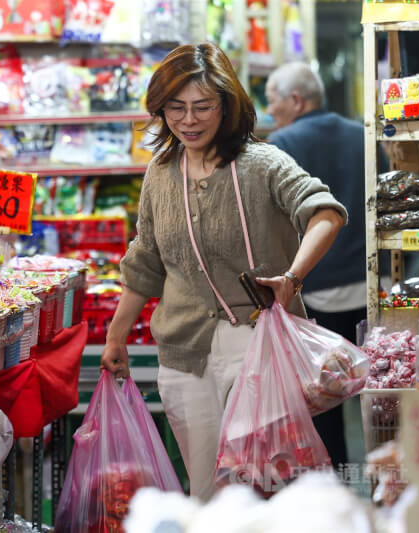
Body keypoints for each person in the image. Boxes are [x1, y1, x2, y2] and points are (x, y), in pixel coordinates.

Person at [99, 43, 347, 501]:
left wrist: (291, 278)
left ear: (227, 105)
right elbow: (146, 259)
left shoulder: (261, 163)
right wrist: (116, 337)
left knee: (264, 487)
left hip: (258, 344)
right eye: (175, 108)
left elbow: (325, 213)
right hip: (183, 353)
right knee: (205, 491)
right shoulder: (160, 172)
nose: (188, 120)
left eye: (202, 107)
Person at [265, 62, 384, 470]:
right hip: (371, 286)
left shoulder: (281, 144)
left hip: (316, 292)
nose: (271, 111)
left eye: (273, 102)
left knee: (324, 398)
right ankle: (385, 476)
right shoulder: (361, 135)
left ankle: (337, 486)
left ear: (296, 100)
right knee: (379, 394)